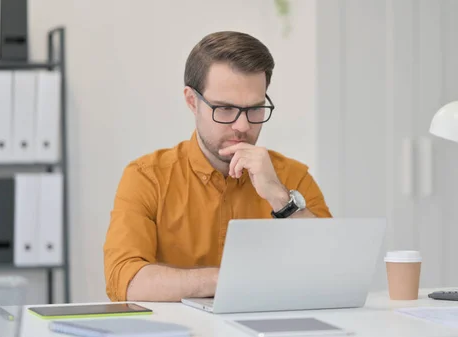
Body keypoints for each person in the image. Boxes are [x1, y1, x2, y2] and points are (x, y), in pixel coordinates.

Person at [103, 31, 332, 302]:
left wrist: (280, 198)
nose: (243, 126)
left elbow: (334, 272)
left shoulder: (292, 177)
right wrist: (230, 279)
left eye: (255, 109)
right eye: (224, 109)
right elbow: (126, 281)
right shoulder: (146, 177)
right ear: (192, 101)